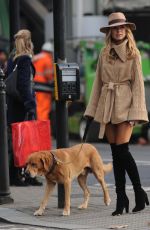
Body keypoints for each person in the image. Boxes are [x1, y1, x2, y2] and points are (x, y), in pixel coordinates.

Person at [84, 12, 149, 216]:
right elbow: (98, 83)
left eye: (122, 27)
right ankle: (121, 200)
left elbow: (139, 85)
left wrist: (136, 112)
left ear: (126, 30)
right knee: (115, 153)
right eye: (115, 27)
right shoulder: (104, 53)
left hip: (126, 105)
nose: (119, 30)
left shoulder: (133, 53)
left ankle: (138, 192)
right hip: (107, 103)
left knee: (123, 151)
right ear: (110, 31)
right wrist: (91, 110)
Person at [6, 29, 42, 186]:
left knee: (15, 141)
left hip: (12, 106)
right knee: (24, 142)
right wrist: (31, 105)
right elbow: (23, 84)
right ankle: (19, 176)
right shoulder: (25, 59)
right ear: (29, 42)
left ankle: (22, 175)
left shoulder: (13, 58)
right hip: (22, 107)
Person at [33, 41, 54, 120]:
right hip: (44, 88)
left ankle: (37, 125)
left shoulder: (37, 57)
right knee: (44, 109)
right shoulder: (47, 59)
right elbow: (48, 75)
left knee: (37, 108)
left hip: (35, 87)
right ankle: (42, 128)